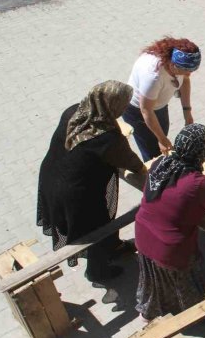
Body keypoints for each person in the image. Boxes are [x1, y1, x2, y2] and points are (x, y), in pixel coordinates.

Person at [37, 80, 146, 282]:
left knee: (100, 224)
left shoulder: (74, 112)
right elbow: (133, 164)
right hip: (78, 195)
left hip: (53, 177)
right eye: (122, 105)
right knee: (97, 231)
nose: (124, 110)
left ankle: (114, 246)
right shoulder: (106, 138)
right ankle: (98, 272)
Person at [134, 123, 205, 320]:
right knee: (186, 282)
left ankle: (149, 311)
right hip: (170, 248)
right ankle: (192, 316)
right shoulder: (198, 183)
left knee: (155, 277)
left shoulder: (159, 165)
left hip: (142, 234)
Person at [122, 37, 201, 162]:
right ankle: (153, 176)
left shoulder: (179, 66)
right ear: (173, 64)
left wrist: (187, 113)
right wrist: (162, 140)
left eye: (191, 70)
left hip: (158, 106)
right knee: (153, 152)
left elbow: (185, 81)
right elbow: (146, 110)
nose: (188, 74)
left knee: (162, 136)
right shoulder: (153, 76)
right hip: (137, 111)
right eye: (185, 70)